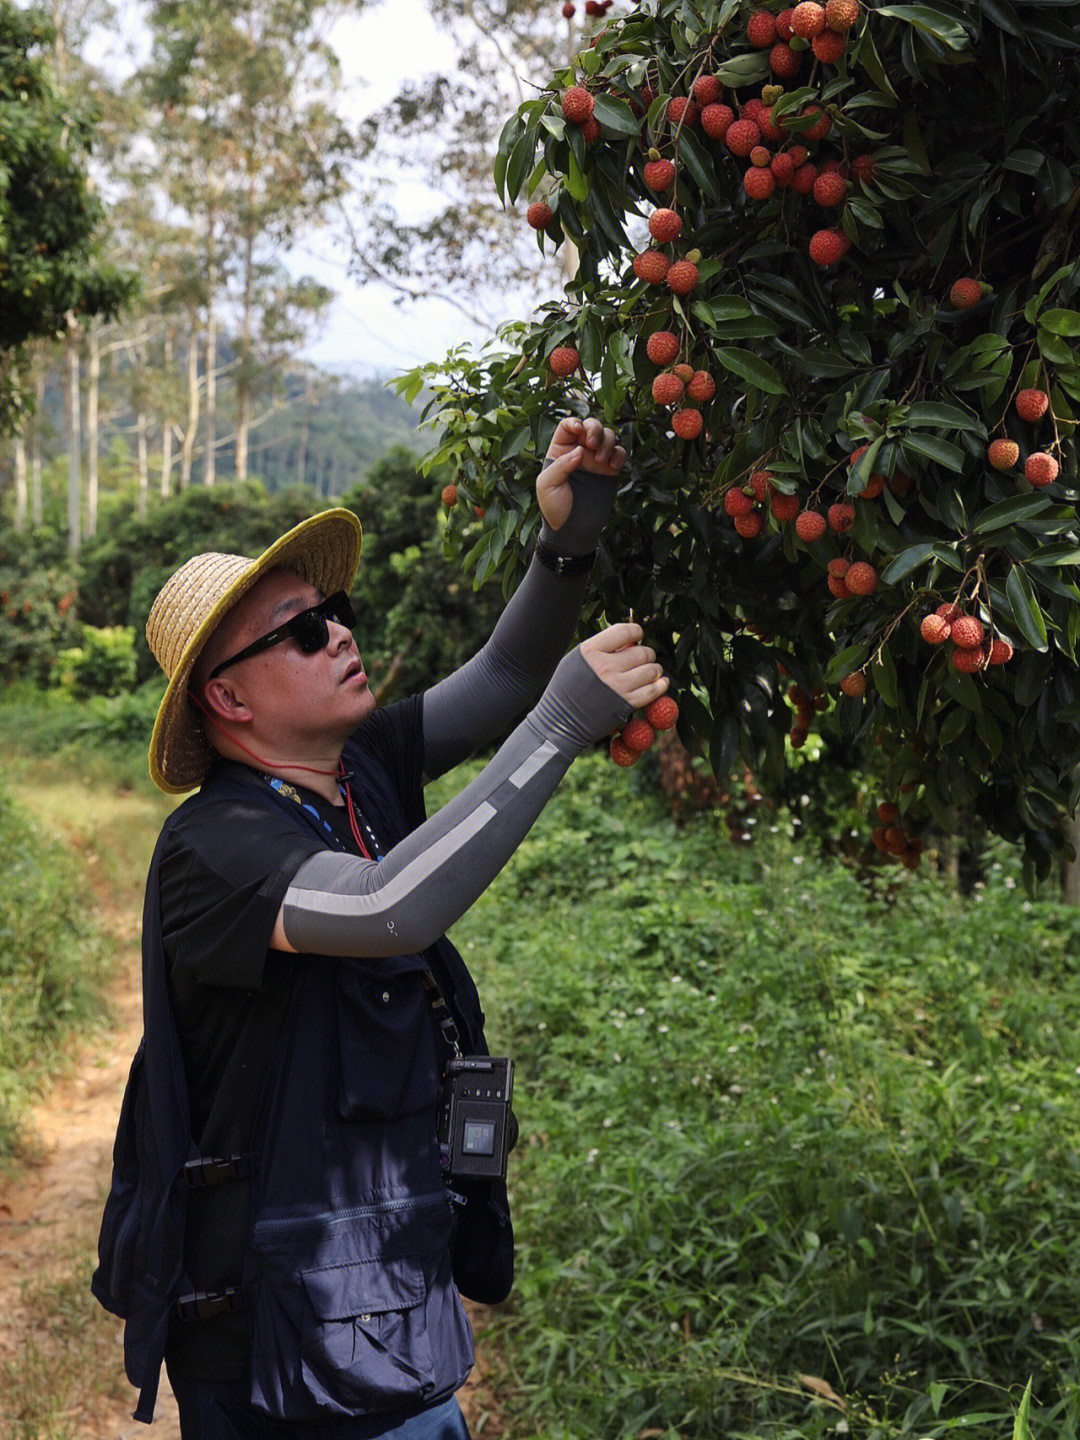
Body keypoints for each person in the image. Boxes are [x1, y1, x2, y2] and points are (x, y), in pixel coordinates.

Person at [95, 416, 669, 1439]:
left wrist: (569, 539)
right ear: (226, 695)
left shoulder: (357, 774)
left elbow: (499, 679)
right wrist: (563, 726)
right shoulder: (215, 846)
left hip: (377, 1301)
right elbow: (385, 905)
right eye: (301, 631)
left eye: (336, 611)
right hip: (276, 1340)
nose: (343, 634)